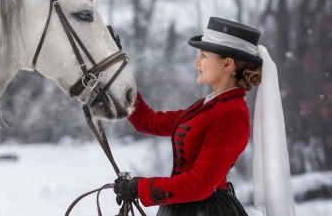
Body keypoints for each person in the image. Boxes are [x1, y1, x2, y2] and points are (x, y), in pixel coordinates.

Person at [113, 17, 296, 216]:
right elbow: (147, 121)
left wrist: (141, 187)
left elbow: (201, 184)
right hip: (182, 207)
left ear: (227, 64)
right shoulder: (207, 106)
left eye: (204, 55)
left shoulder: (233, 114)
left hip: (208, 210)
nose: (196, 61)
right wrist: (119, 71)